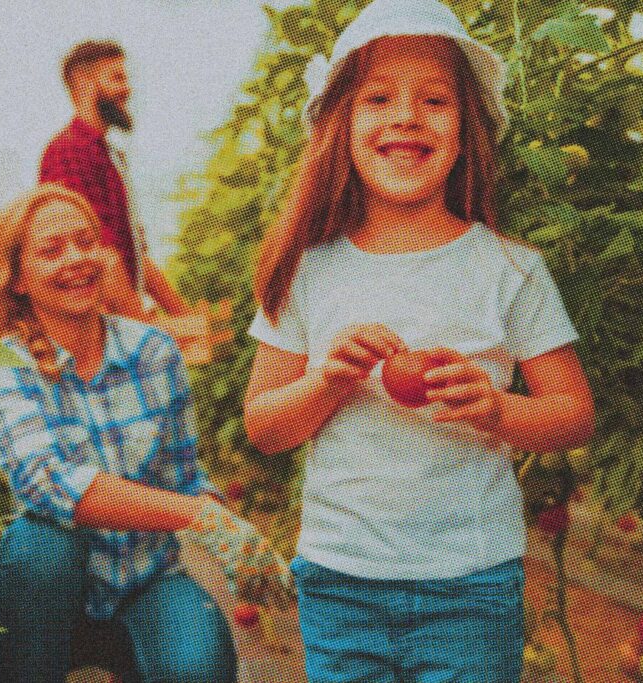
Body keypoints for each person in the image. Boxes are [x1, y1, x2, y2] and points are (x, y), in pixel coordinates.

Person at [242, 0, 595, 681]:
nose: (406, 115)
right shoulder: (309, 268)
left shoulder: (511, 269)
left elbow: (573, 412)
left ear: (467, 132)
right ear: (342, 125)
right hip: (341, 581)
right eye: (378, 97)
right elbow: (265, 425)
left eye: (434, 100)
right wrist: (325, 382)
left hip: (470, 583)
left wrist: (497, 408)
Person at [0, 183, 293, 683]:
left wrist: (233, 544)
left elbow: (182, 478)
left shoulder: (153, 352)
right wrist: (202, 518)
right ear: (17, 279)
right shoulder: (8, 365)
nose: (75, 259)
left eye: (85, 242)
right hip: (53, 599)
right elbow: (47, 481)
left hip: (147, 579)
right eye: (51, 251)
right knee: (41, 547)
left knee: (201, 668)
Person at [39, 40, 189, 320]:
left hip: (120, 323)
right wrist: (142, 331)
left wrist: (183, 316)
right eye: (117, 78)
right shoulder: (68, 151)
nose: (127, 90)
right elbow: (99, 255)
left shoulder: (109, 154)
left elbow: (137, 257)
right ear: (84, 84)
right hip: (95, 332)